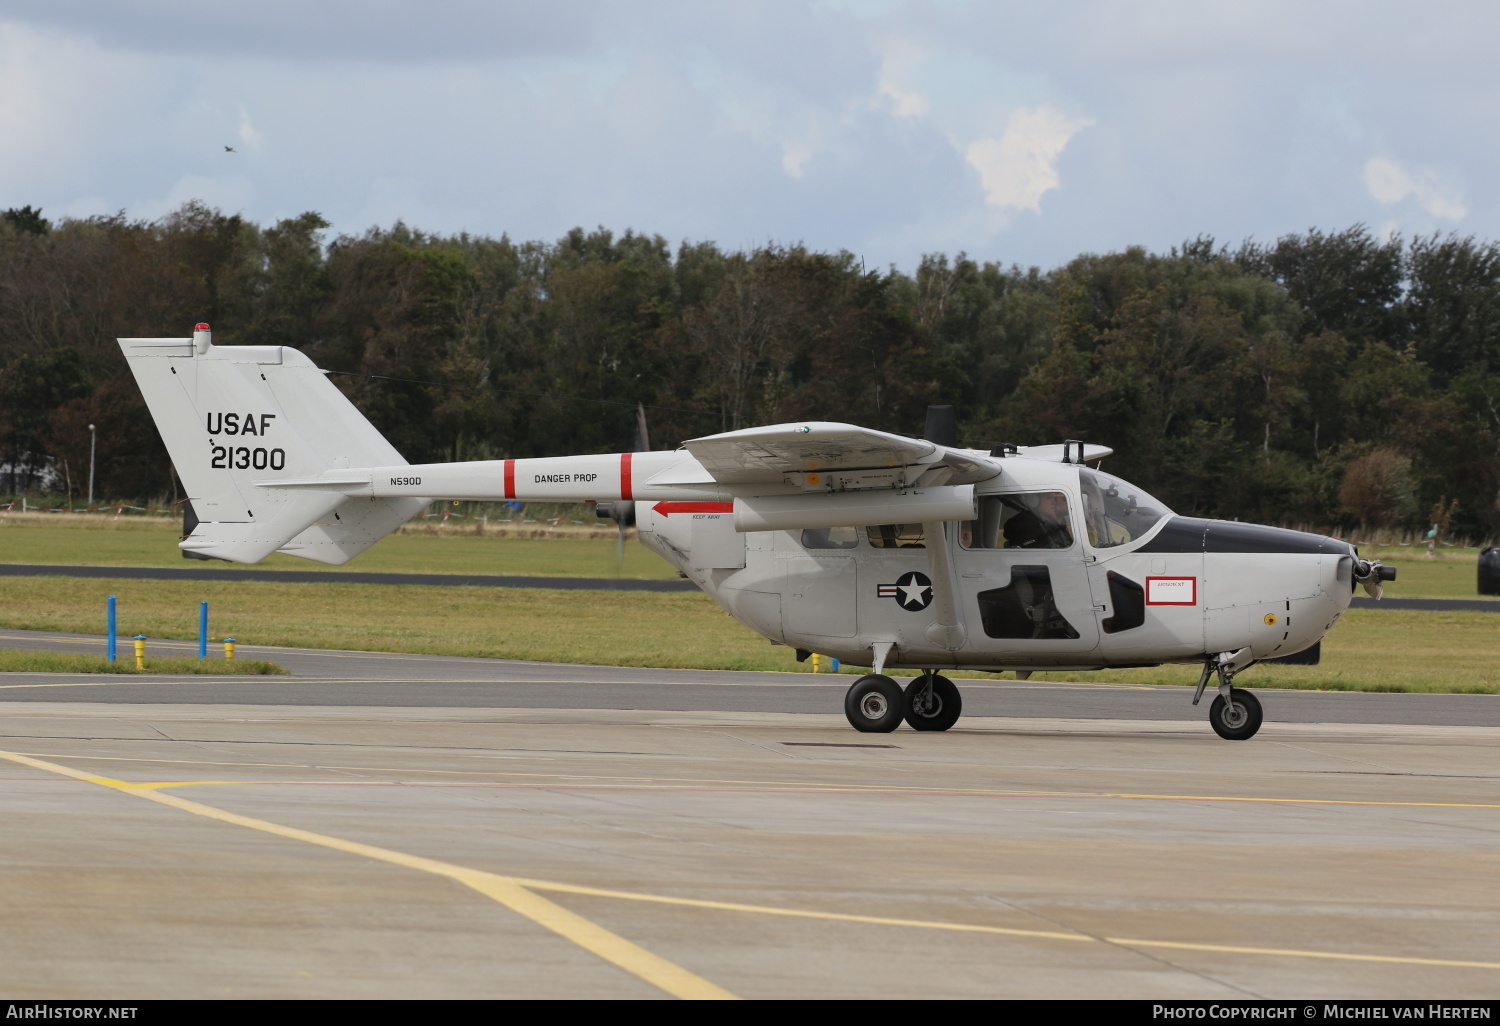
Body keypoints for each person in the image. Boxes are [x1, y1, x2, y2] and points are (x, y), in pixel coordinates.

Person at [1002, 492, 1074, 549]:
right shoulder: (1025, 527)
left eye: (1054, 499)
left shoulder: (1051, 526)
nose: (1054, 502)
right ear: (1034, 501)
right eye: (1049, 498)